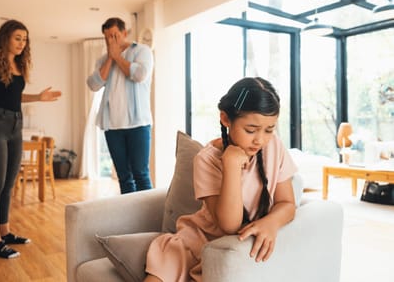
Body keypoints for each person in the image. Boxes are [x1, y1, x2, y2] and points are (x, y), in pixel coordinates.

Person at [144, 77, 297, 282]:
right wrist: (231, 166)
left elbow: (287, 203)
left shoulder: (273, 147)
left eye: (269, 130)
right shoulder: (206, 159)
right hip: (196, 241)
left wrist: (271, 222)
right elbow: (229, 225)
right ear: (226, 119)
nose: (260, 139)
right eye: (250, 130)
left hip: (229, 249)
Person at [0, 19, 61, 259]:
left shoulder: (18, 64)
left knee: (9, 183)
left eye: (25, 39)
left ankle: (5, 232)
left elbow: (15, 97)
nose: (22, 43)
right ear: (6, 37)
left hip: (16, 125)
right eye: (18, 37)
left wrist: (39, 97)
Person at [87, 17, 154, 194]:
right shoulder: (103, 60)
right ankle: (131, 219)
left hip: (138, 124)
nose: (111, 40)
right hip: (112, 126)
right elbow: (93, 84)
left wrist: (117, 57)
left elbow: (139, 74)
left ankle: (150, 219)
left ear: (125, 33)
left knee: (141, 174)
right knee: (124, 177)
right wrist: (111, 58)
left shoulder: (142, 51)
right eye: (107, 37)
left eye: (115, 35)